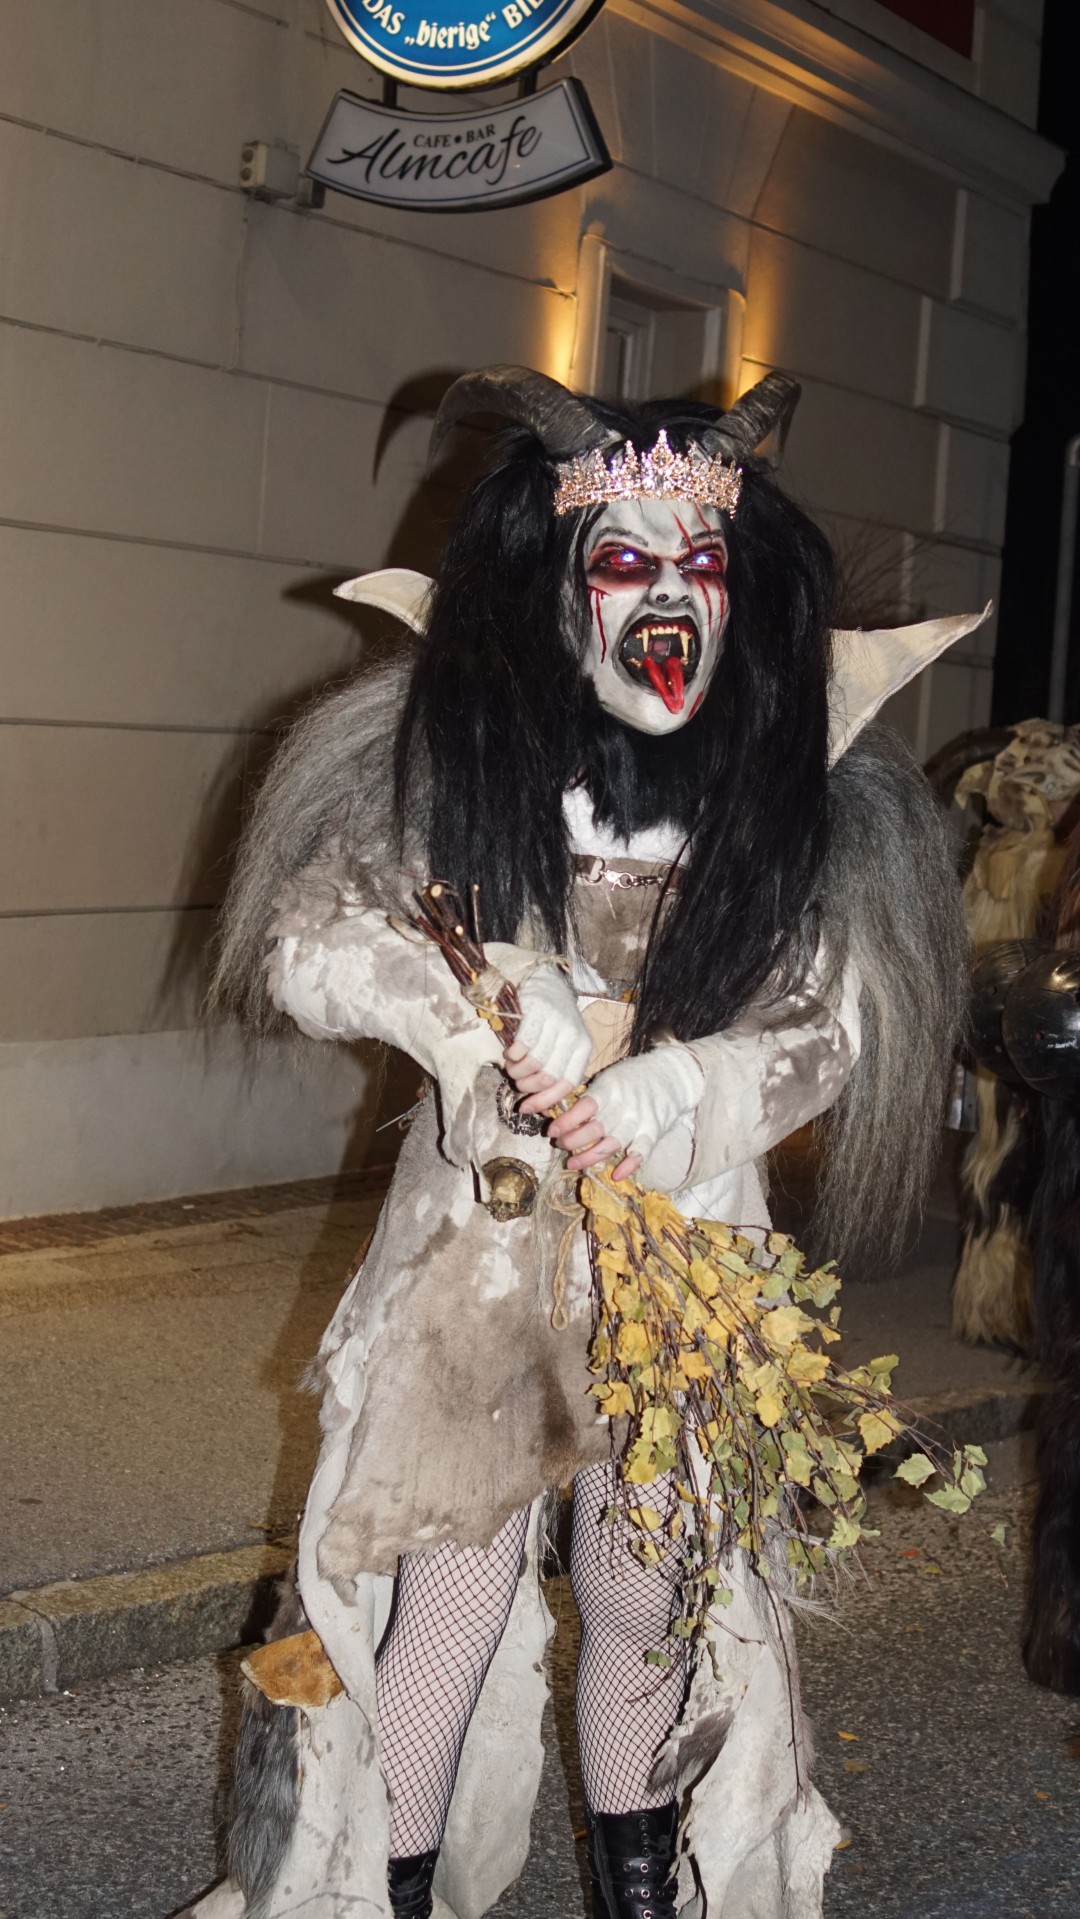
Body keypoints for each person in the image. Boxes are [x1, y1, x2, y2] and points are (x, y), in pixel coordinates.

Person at [185, 366, 980, 1919]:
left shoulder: (786, 803)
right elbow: (311, 944)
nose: (668, 595)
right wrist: (485, 1005)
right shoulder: (452, 772)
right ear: (555, 590)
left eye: (702, 563)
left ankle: (644, 1895)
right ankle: (383, 1897)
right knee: (447, 1596)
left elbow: (823, 1028)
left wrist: (680, 1093)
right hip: (476, 1277)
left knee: (647, 1597)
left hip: (685, 1272)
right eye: (623, 559)